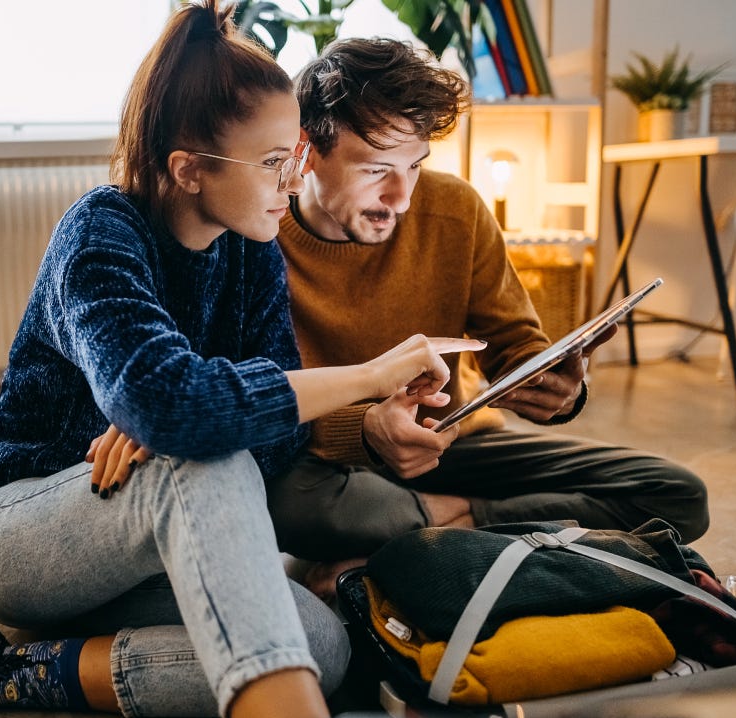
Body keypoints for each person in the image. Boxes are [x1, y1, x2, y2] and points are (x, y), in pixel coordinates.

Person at [0, 7, 479, 718]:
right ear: (188, 169)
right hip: (12, 529)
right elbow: (172, 407)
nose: (292, 182)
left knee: (322, 649)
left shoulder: (254, 254)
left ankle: (5, 671)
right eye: (272, 163)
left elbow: (277, 440)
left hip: (147, 534)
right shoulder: (100, 232)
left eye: (294, 158)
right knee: (204, 454)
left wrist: (180, 415)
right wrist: (367, 378)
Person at [266, 38, 710, 593]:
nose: (401, 197)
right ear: (306, 151)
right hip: (325, 459)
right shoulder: (259, 233)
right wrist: (366, 428)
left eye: (415, 166)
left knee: (677, 493)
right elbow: (257, 402)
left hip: (451, 444)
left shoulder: (455, 210)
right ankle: (480, 538)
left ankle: (449, 526)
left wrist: (553, 384)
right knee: (278, 498)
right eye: (377, 169)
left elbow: (514, 342)